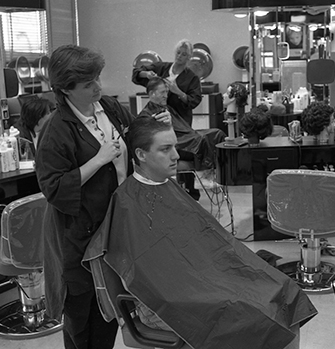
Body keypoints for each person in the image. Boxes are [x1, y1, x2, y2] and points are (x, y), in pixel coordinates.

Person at [82, 115, 317, 349]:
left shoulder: (168, 186)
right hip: (163, 303)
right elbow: (146, 277)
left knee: (284, 291)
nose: (176, 155)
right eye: (166, 149)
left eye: (175, 146)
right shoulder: (126, 203)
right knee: (252, 312)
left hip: (200, 282)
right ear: (141, 155)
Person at [35, 44, 170, 349]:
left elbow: (134, 133)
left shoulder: (107, 107)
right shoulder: (56, 130)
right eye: (88, 84)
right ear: (65, 90)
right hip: (78, 238)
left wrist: (156, 133)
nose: (97, 87)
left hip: (114, 228)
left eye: (97, 78)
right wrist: (97, 160)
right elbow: (54, 187)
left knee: (110, 310)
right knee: (84, 323)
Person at [139, 76, 225, 173]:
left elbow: (183, 129)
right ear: (152, 94)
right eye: (162, 92)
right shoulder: (148, 115)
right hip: (176, 146)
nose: (166, 96)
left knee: (218, 134)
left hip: (185, 139)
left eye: (166, 92)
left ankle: (221, 173)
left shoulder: (166, 108)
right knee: (202, 140)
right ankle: (205, 176)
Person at [132, 38, 202, 126]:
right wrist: (146, 74)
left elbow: (194, 101)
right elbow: (136, 73)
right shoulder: (161, 68)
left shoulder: (192, 78)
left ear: (189, 57)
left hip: (180, 120)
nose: (179, 56)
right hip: (158, 116)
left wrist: (178, 92)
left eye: (184, 54)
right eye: (178, 52)